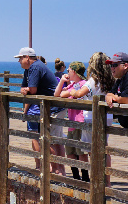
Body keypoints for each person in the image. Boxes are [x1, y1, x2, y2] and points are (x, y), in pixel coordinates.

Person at [61, 52, 115, 185]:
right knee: (105, 148)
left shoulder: (94, 80)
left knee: (93, 150)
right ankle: (106, 181)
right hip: (107, 117)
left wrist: (72, 92)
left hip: (92, 117)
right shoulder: (111, 79)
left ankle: (97, 179)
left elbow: (80, 93)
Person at [16, 47, 66, 175]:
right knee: (53, 139)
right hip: (49, 108)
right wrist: (25, 89)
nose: (19, 61)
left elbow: (32, 90)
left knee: (49, 140)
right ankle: (58, 170)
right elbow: (24, 87)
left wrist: (27, 90)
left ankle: (56, 170)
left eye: (20, 58)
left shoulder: (35, 67)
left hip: (54, 108)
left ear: (27, 57)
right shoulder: (29, 69)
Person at [55, 61, 88, 181]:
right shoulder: (73, 84)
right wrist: (62, 81)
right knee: (70, 151)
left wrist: (68, 92)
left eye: (68, 70)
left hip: (80, 122)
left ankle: (85, 177)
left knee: (81, 152)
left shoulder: (83, 84)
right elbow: (57, 94)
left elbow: (64, 94)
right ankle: (75, 176)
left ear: (74, 71)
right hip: (72, 123)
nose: (67, 72)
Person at [105, 52, 128, 128]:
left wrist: (115, 98)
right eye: (111, 65)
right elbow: (109, 94)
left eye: (115, 65)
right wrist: (109, 96)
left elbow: (126, 99)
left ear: (125, 66)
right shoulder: (120, 80)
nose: (112, 68)